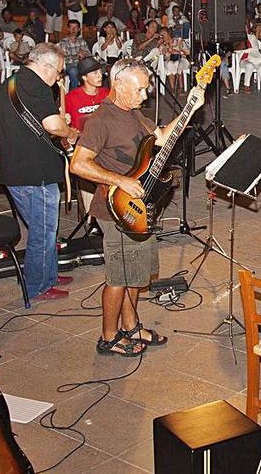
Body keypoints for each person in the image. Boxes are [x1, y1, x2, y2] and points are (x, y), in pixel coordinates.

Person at [70, 58, 172, 356]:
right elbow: (78, 164)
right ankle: (109, 336)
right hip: (114, 211)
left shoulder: (134, 114)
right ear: (119, 85)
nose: (145, 95)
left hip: (136, 209)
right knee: (118, 278)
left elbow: (162, 137)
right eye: (140, 89)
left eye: (146, 89)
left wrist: (192, 105)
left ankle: (132, 326)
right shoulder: (102, 119)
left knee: (134, 274)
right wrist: (120, 181)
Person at [0, 43, 80, 304]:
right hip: (35, 173)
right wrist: (71, 131)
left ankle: (49, 275)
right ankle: (37, 286)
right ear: (45, 66)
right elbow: (53, 125)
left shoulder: (12, 81)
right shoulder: (37, 86)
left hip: (16, 168)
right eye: (58, 72)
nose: (59, 78)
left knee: (43, 228)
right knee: (42, 232)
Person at [58, 20, 90, 89]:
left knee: (92, 69)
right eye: (71, 27)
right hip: (69, 65)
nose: (73, 29)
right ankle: (76, 91)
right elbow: (64, 58)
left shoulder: (82, 42)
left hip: (82, 64)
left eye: (75, 27)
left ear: (79, 29)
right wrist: (77, 56)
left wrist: (84, 55)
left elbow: (89, 54)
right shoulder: (63, 42)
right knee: (73, 71)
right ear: (68, 29)